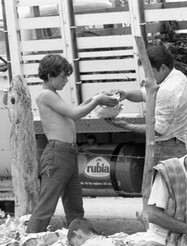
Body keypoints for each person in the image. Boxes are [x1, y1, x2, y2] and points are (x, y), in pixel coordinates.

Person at [26, 54, 119, 233]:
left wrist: (95, 97)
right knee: (47, 203)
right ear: (50, 75)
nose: (66, 80)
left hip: (68, 153)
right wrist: (97, 101)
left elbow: (74, 110)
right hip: (57, 153)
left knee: (74, 203)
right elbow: (75, 114)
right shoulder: (46, 95)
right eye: (63, 76)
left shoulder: (53, 94)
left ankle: (78, 238)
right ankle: (29, 241)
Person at [106, 44, 187, 165]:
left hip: (170, 148)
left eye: (150, 71)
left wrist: (126, 126)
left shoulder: (167, 92)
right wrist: (126, 94)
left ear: (163, 68)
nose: (147, 76)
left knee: (164, 183)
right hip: (179, 143)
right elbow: (145, 94)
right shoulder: (177, 76)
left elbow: (157, 130)